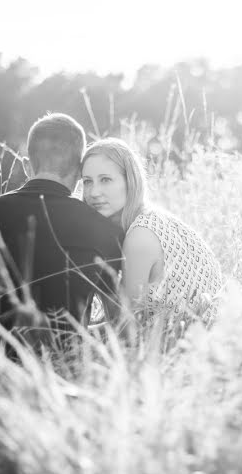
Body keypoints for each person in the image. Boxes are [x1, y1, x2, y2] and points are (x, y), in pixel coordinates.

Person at [0, 113, 125, 345]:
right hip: (64, 353)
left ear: (26, 165)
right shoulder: (105, 230)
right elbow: (116, 319)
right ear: (78, 170)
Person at [80, 138, 223, 330]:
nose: (94, 192)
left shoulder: (141, 235)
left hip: (190, 349)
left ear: (130, 181)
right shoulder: (152, 217)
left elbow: (126, 329)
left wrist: (72, 334)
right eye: (87, 181)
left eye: (106, 180)